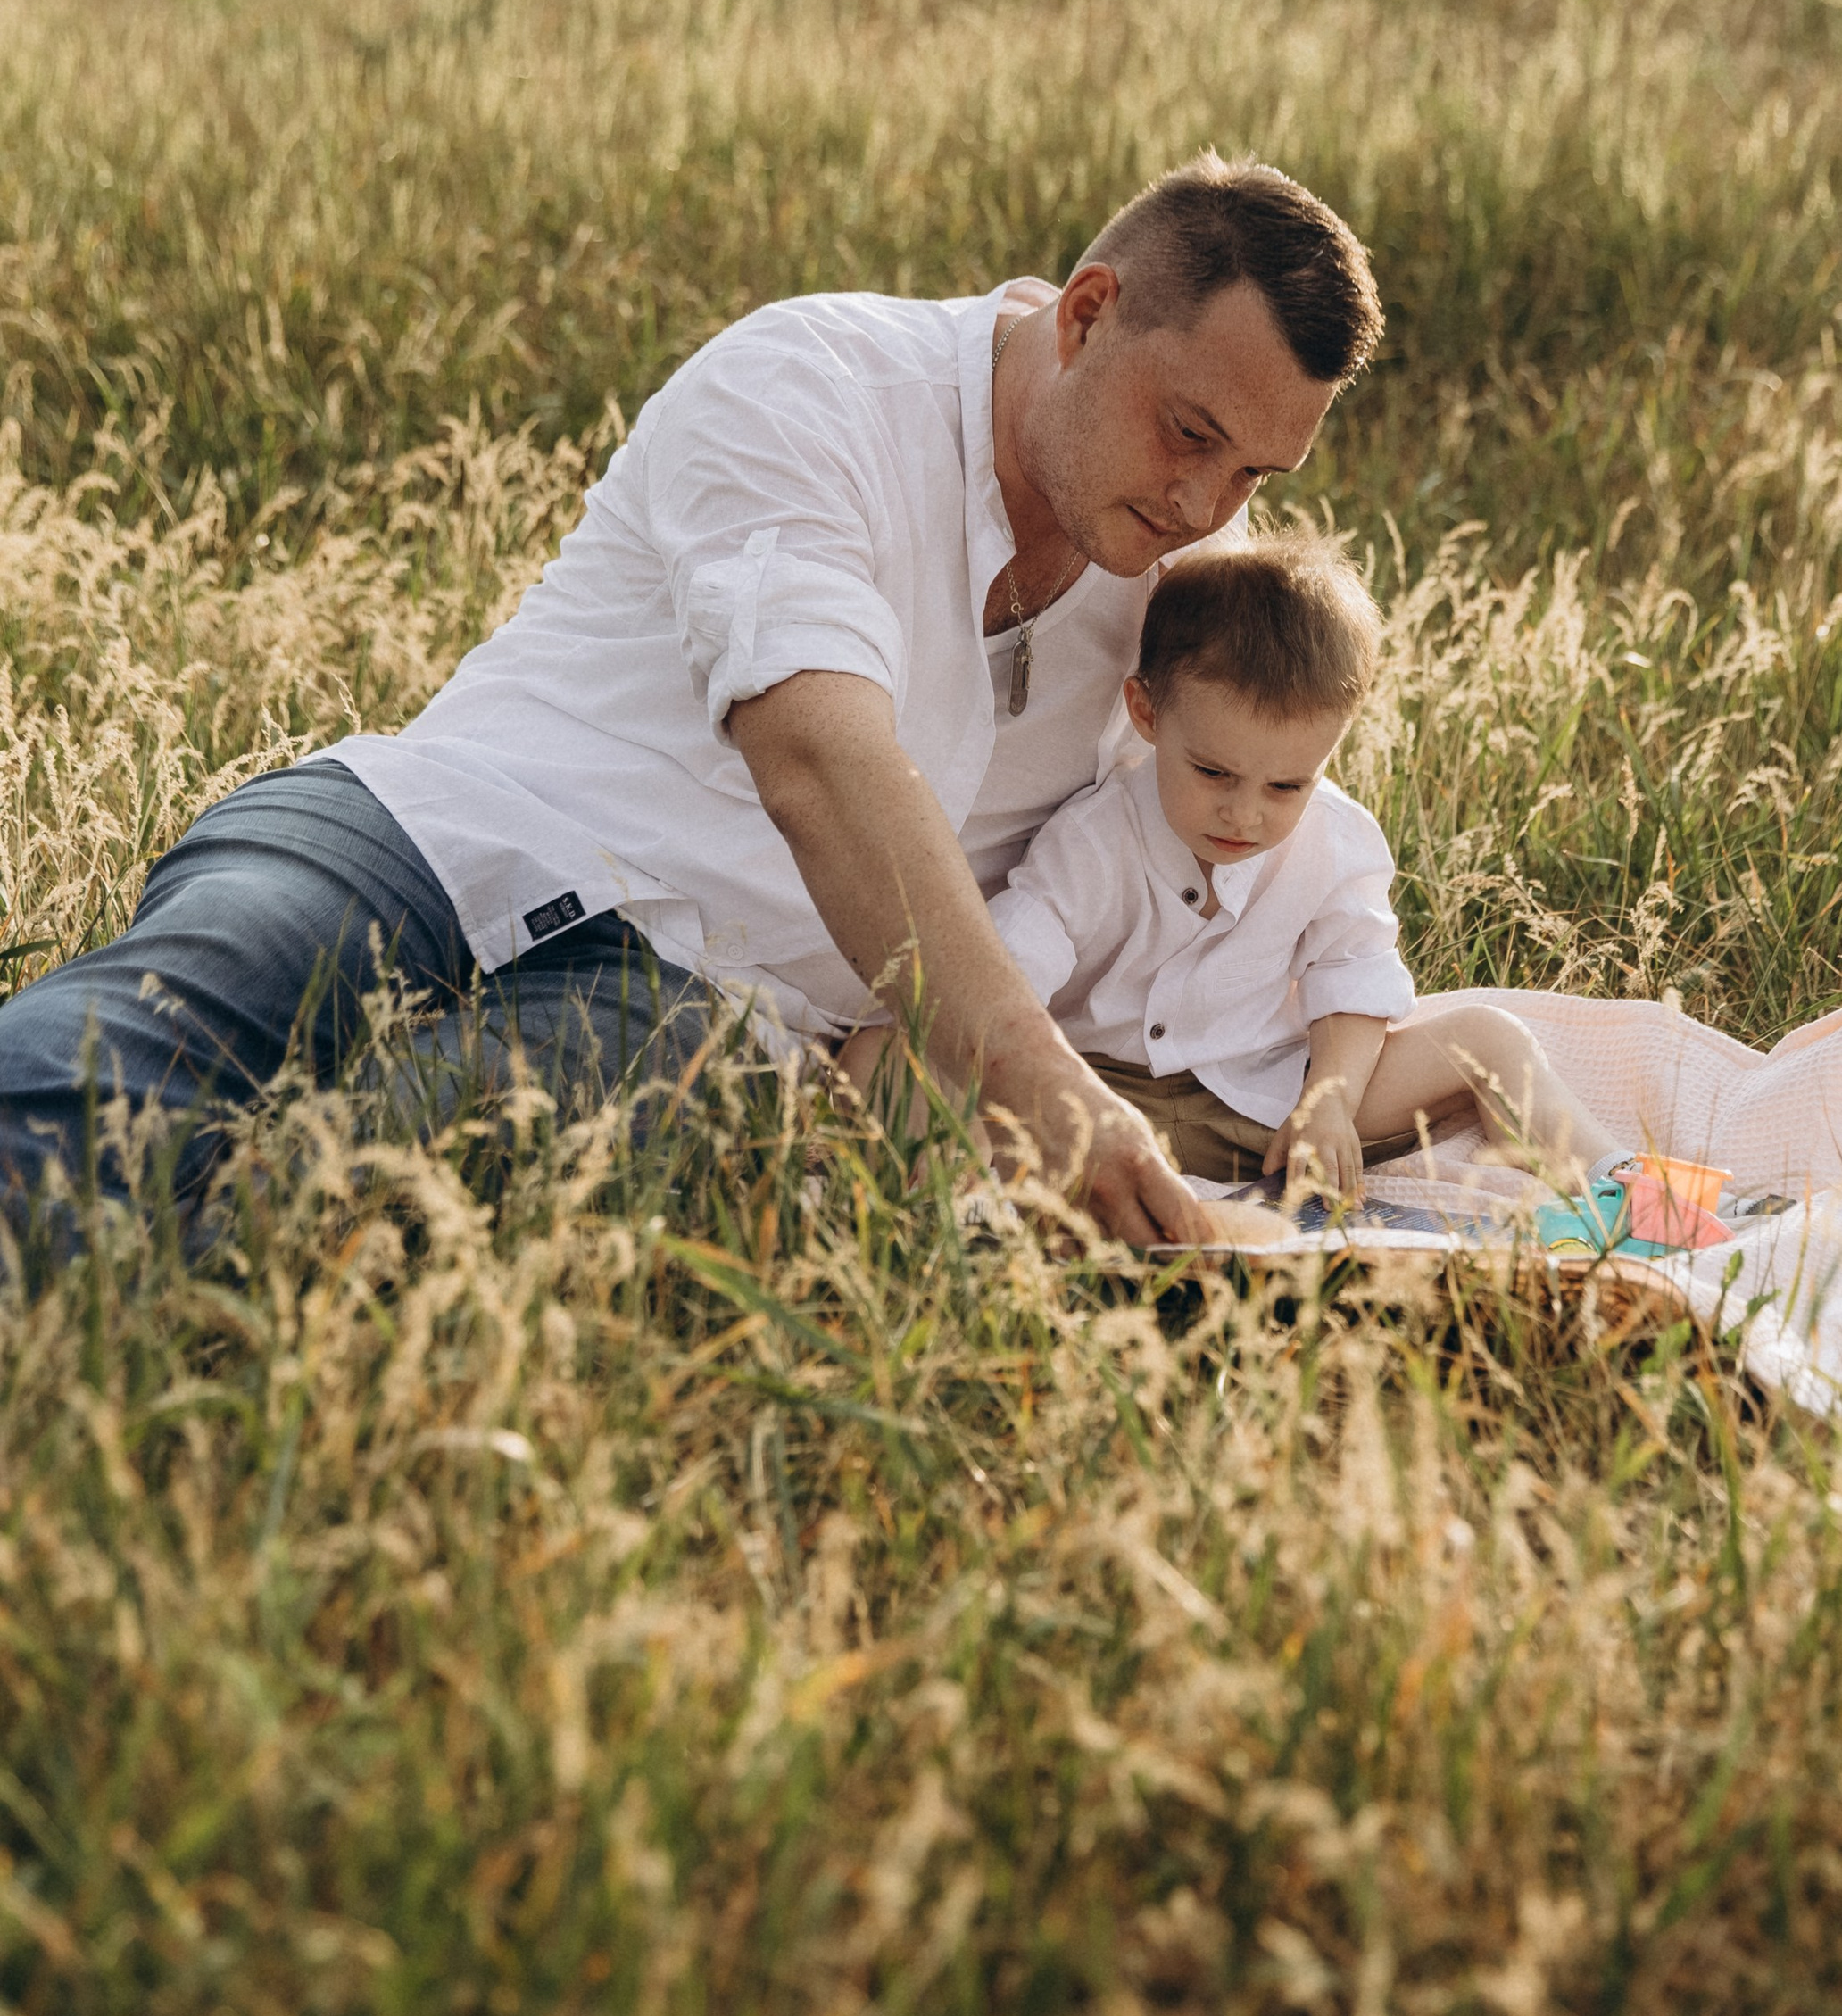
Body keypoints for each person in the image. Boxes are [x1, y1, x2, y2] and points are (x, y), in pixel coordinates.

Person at [0, 155, 1382, 1257]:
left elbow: (1272, 840)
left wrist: (1335, 1077)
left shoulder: (1179, 601)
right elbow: (816, 755)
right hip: (426, 830)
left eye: (1257, 476)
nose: (1206, 506)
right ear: (1085, 316)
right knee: (140, 1040)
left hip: (695, 1001)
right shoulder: (816, 385)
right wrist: (1040, 1086)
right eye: (1191, 434)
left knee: (324, 1197)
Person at [956, 535, 1615, 1204]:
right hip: (1100, 1101)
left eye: (1285, 788)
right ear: (1147, 713)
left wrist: (1328, 1101)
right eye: (1214, 773)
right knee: (933, 1080)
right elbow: (1005, 974)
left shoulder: (1336, 838)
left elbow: (1350, 973)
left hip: (1269, 1096)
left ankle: (1616, 1185)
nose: (1244, 816)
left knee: (1489, 1039)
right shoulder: (1092, 842)